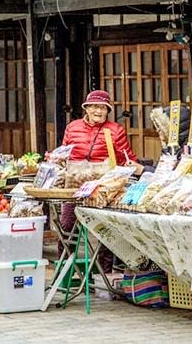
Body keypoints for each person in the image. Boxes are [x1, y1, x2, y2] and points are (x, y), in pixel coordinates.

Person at [60, 90, 143, 272]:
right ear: (86, 108)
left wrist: (136, 168)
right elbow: (64, 153)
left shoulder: (115, 130)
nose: (98, 111)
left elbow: (125, 157)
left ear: (108, 111)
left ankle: (104, 273)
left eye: (103, 108)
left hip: (103, 189)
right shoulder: (72, 127)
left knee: (105, 229)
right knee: (67, 226)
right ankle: (64, 270)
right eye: (94, 107)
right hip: (74, 186)